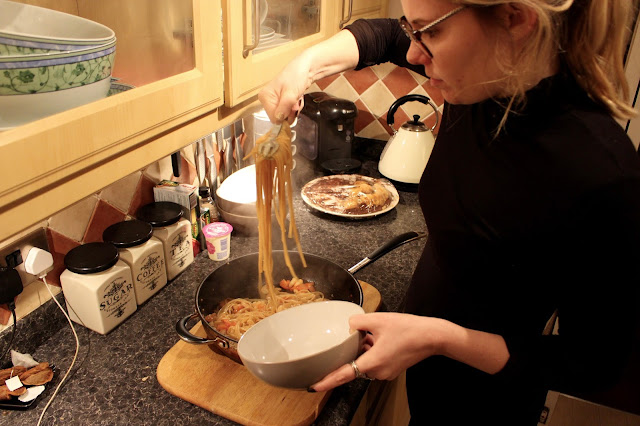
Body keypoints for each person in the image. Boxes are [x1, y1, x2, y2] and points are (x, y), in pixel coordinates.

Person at [259, 1, 640, 424]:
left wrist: (440, 338)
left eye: (431, 33)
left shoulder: (601, 173)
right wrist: (304, 65)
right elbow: (383, 36)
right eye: (414, 30)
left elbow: (593, 368)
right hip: (426, 376)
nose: (414, 54)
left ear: (515, 20)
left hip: (489, 404)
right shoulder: (481, 78)